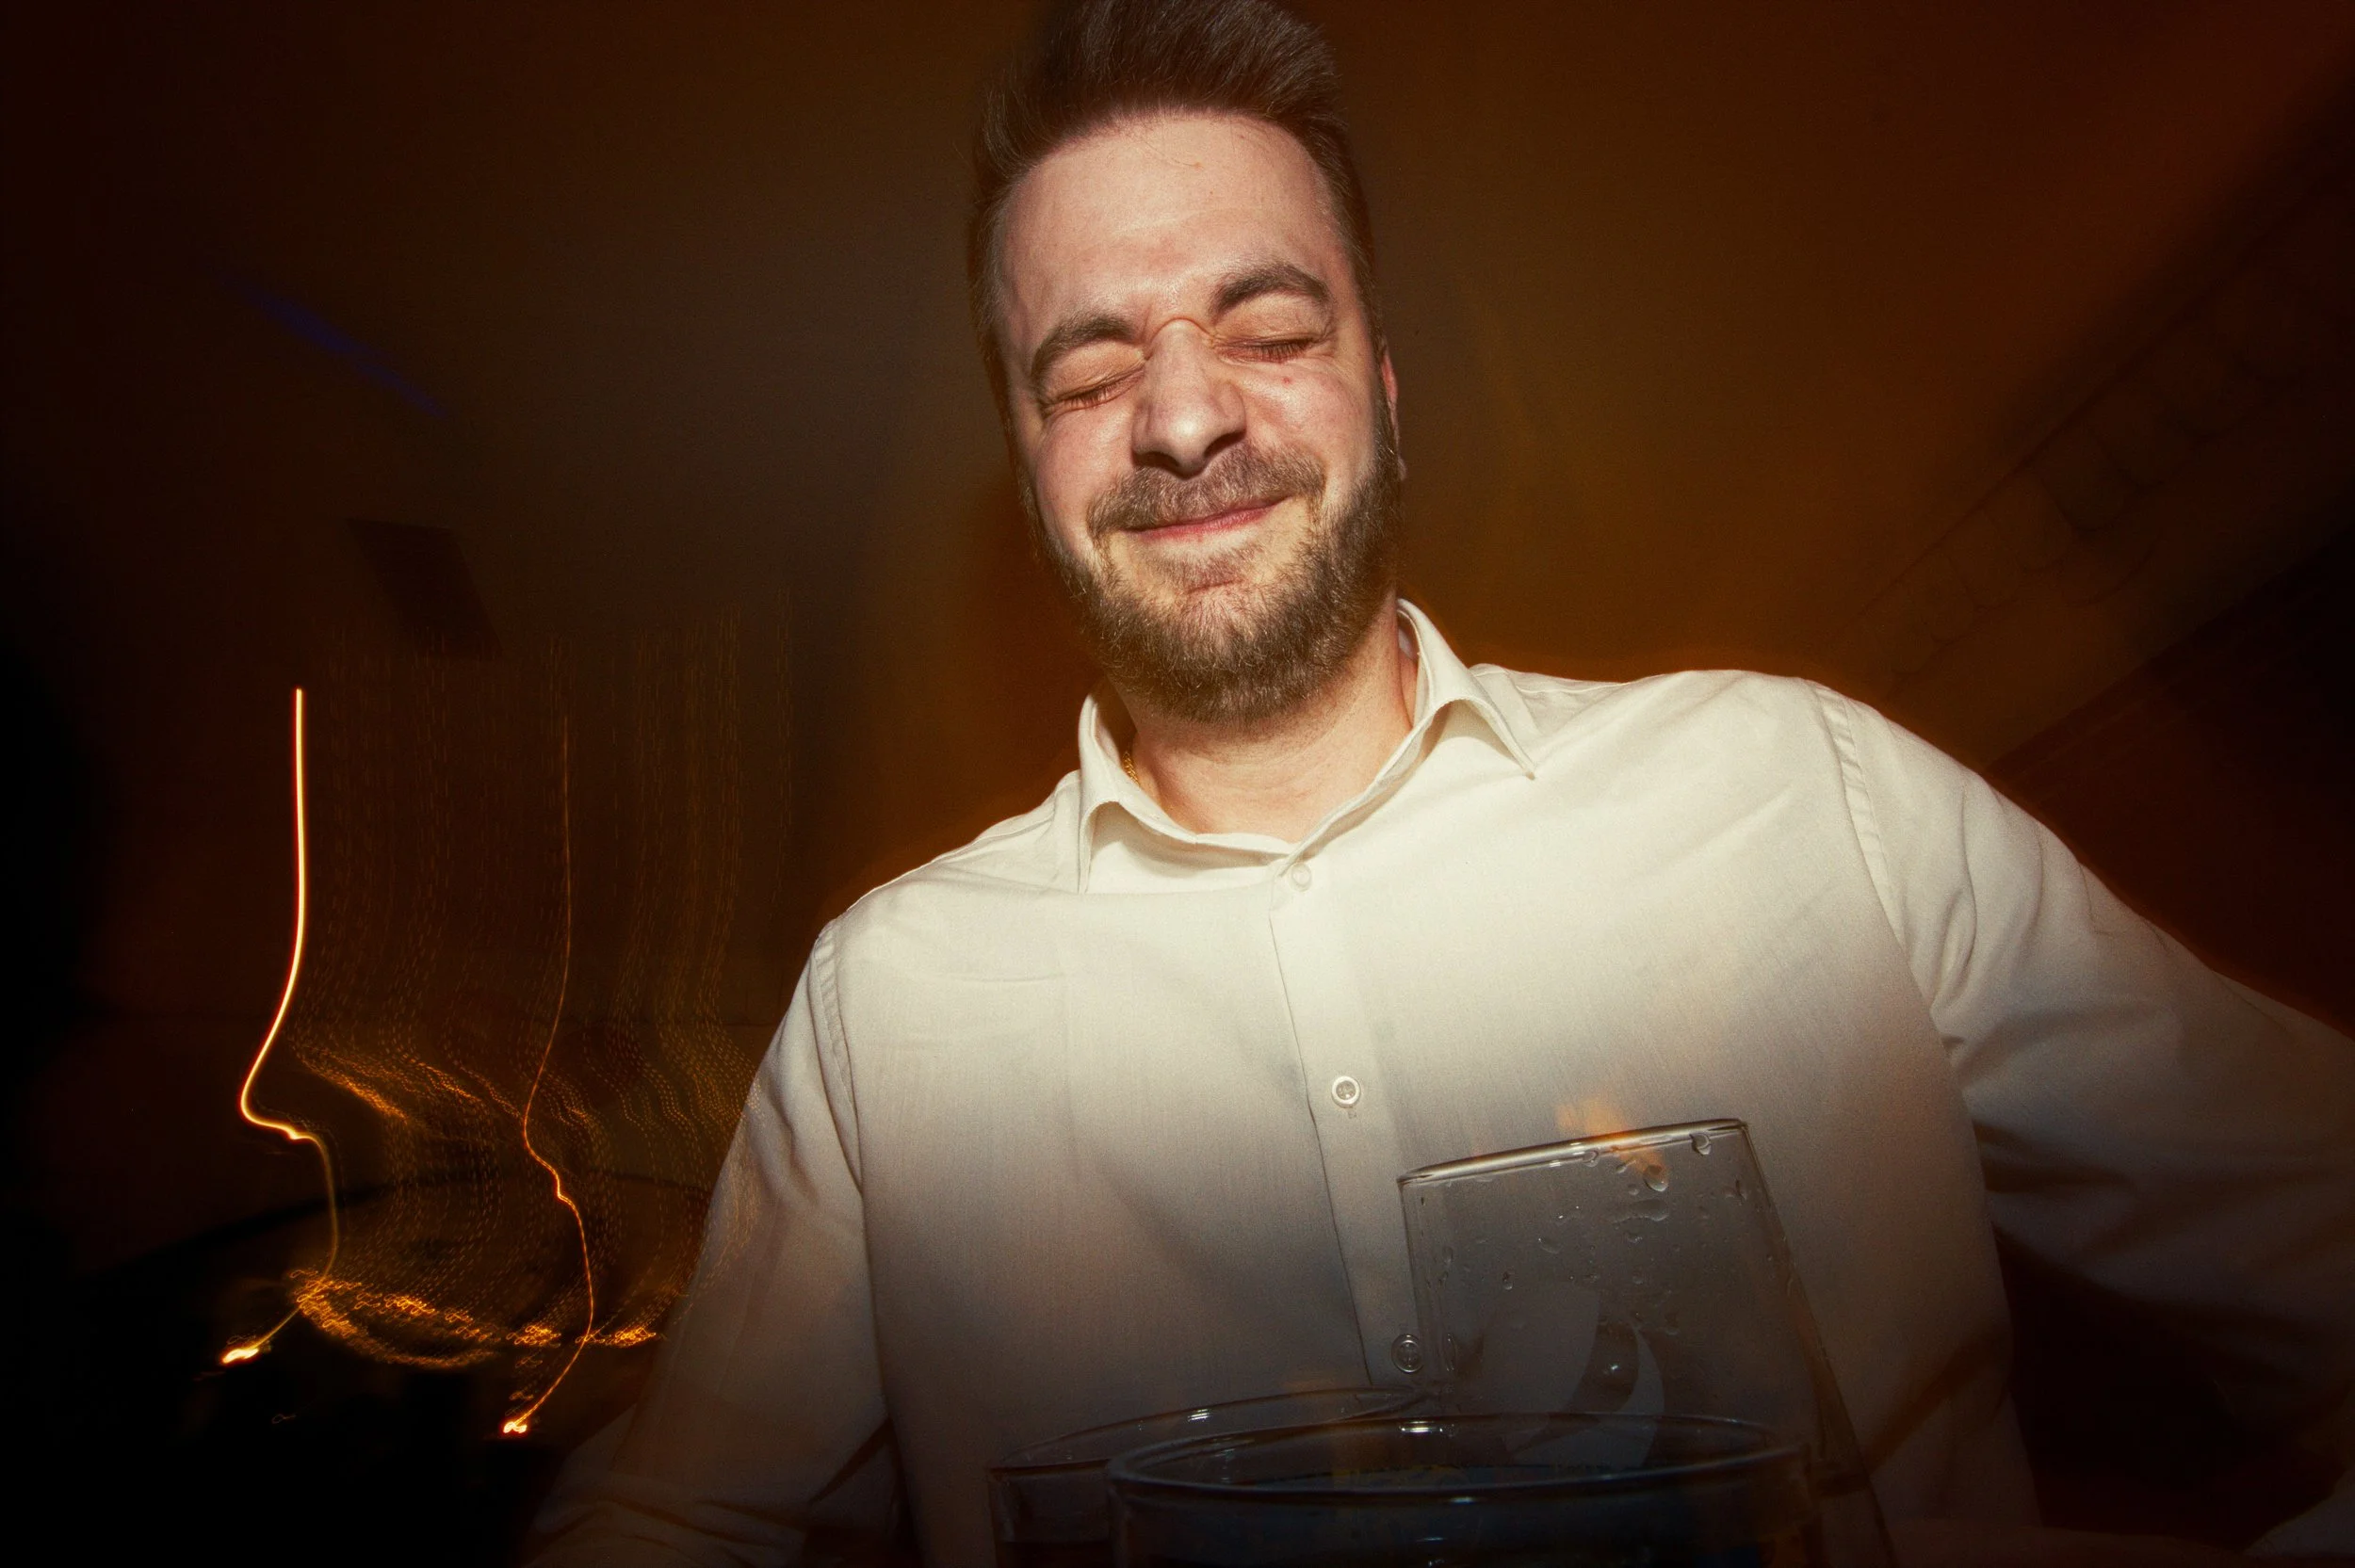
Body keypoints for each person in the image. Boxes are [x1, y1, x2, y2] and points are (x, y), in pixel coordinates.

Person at [530, 2, 2355, 1563]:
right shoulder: (883, 1013)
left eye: (1269, 328)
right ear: (1023, 470)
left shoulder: (1812, 795)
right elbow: (669, 1525)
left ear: (1386, 388)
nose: (1185, 417)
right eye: (1088, 371)